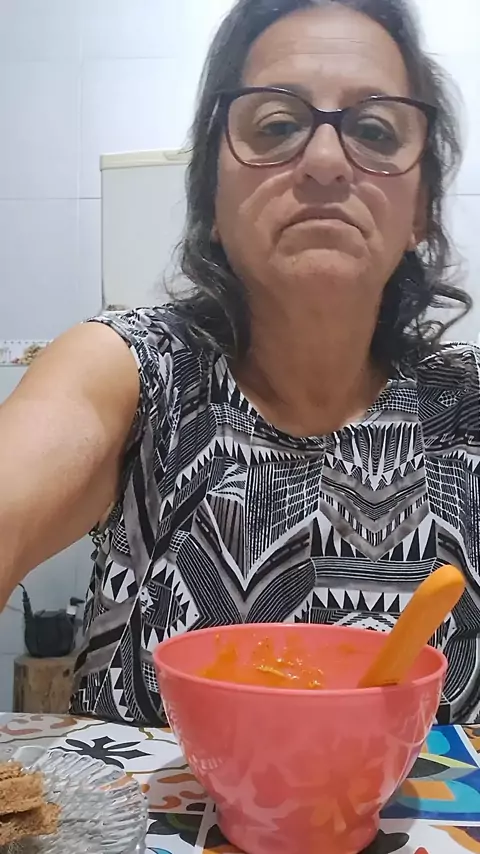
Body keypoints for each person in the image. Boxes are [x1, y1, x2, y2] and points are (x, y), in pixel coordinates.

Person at [0, 0, 478, 727]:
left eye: (375, 130)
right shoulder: (136, 371)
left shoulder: (466, 404)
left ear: (420, 211)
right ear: (212, 201)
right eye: (277, 127)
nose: (326, 162)